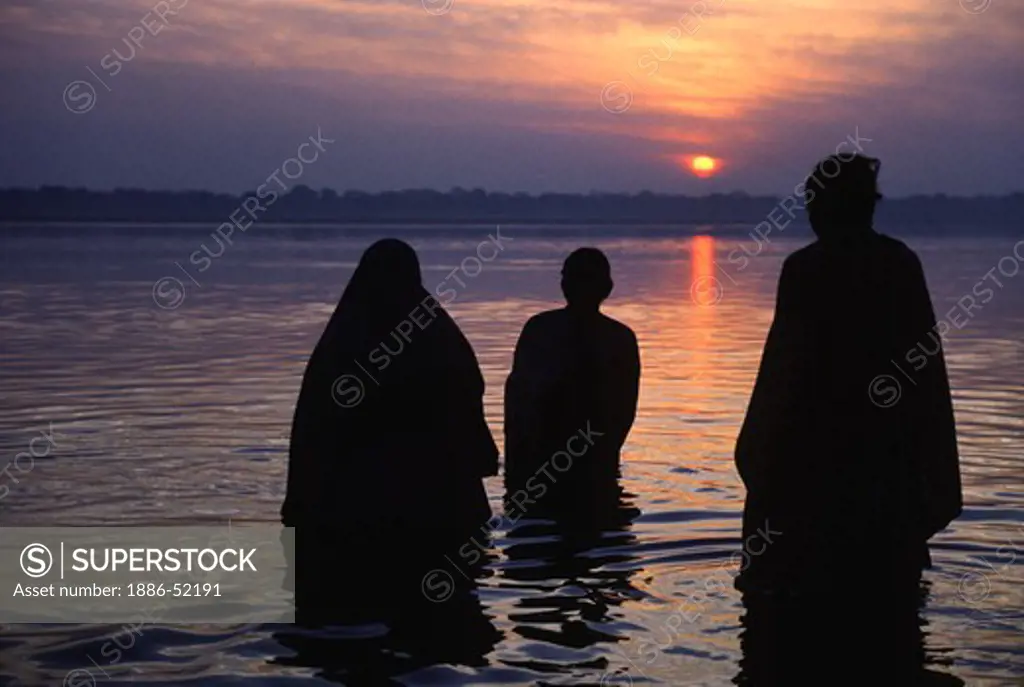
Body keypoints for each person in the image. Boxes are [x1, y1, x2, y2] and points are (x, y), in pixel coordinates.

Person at [735, 154, 962, 592]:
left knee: (797, 613)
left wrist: (758, 453)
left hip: (812, 465)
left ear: (828, 206)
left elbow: (781, 374)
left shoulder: (807, 270)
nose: (808, 212)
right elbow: (927, 378)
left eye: (812, 202)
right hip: (885, 467)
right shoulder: (899, 264)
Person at [282, 238, 498, 552]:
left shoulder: (344, 340)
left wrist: (301, 501)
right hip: (439, 506)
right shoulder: (439, 335)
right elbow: (467, 406)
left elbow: (313, 427)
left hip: (361, 510)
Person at [504, 247, 641, 514]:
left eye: (580, 278)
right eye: (571, 277)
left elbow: (622, 411)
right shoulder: (542, 330)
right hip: (562, 464)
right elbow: (518, 400)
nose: (571, 284)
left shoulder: (542, 329)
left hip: (569, 465)